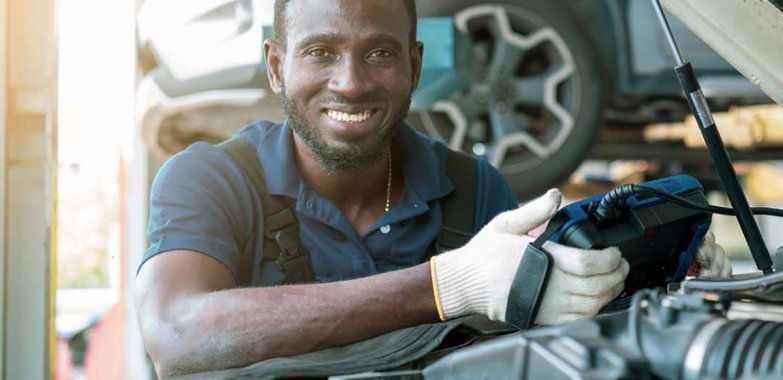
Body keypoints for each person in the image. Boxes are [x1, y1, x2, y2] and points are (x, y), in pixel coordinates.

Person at [134, 0, 731, 377]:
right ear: (275, 65)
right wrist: (449, 285)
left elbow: (549, 346)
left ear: (416, 67)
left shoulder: (473, 191)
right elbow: (177, 335)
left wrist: (657, 286)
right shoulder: (210, 179)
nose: (350, 82)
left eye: (379, 53)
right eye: (319, 52)